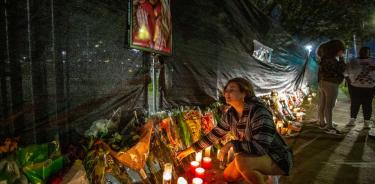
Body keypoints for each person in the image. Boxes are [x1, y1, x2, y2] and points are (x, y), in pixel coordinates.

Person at [176, 78, 293, 184]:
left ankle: (268, 178)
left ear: (244, 93)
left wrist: (231, 144)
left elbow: (261, 148)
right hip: (251, 155)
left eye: (232, 89)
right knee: (228, 176)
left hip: (275, 157)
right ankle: (264, 178)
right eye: (226, 90)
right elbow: (214, 135)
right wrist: (190, 150)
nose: (227, 93)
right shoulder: (231, 114)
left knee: (242, 160)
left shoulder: (259, 112)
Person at [317, 39, 346, 135]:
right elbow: (342, 69)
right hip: (331, 83)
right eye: (341, 50)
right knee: (329, 106)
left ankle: (322, 122)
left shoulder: (324, 58)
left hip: (323, 82)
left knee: (323, 103)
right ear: (337, 49)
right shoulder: (331, 60)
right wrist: (342, 58)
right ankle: (329, 126)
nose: (342, 52)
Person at [344, 47, 375, 128]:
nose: (365, 53)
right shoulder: (353, 61)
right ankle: (352, 120)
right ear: (359, 52)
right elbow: (345, 73)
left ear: (369, 53)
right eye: (363, 51)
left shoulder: (373, 61)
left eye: (367, 52)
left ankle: (366, 122)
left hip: (370, 87)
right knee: (355, 103)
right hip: (355, 87)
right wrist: (349, 83)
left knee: (367, 105)